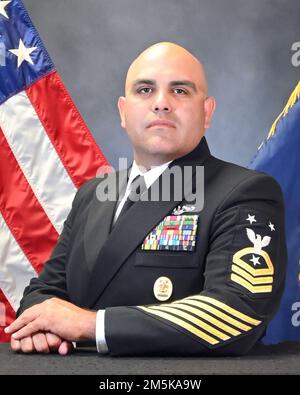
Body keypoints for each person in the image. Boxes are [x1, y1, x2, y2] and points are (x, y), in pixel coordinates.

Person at [5, 42, 287, 357]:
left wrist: (91, 325)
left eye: (180, 91)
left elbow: (236, 309)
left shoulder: (244, 192)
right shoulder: (93, 194)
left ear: (207, 112)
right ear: (124, 112)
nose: (161, 103)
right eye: (145, 90)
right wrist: (39, 325)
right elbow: (46, 291)